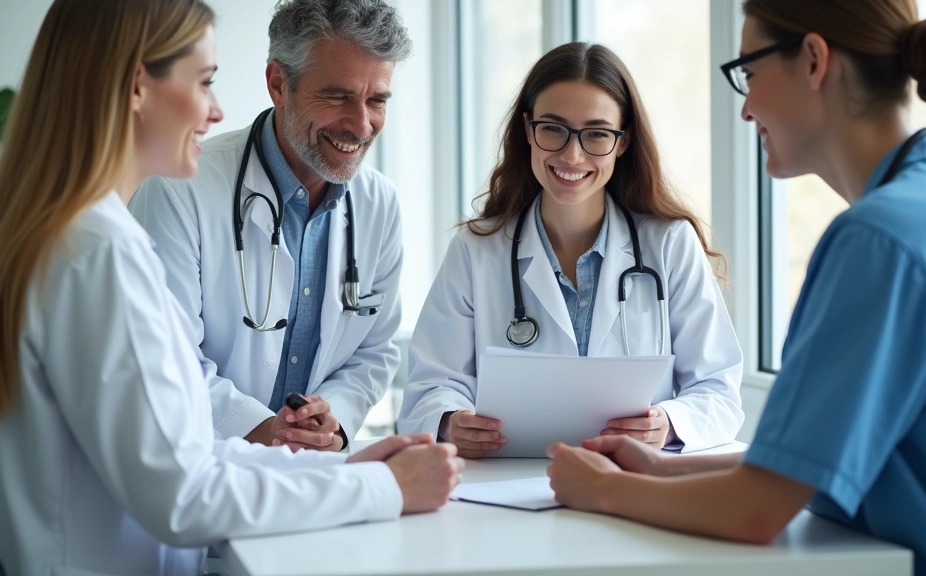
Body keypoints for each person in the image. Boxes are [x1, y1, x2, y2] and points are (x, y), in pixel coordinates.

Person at [546, 1, 926, 575]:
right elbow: (804, 465)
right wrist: (658, 468)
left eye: (750, 72)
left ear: (815, 60)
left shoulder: (880, 240)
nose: (746, 109)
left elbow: (758, 510)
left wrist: (600, 490)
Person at [0, 1, 462, 574]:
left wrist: (349, 467)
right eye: (204, 81)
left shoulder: (83, 235)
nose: (217, 109)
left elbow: (184, 446)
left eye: (376, 99)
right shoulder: (99, 254)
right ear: (137, 88)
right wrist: (381, 489)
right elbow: (183, 493)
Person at [398, 42, 744, 458]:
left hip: (630, 489)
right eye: (553, 129)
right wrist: (450, 422)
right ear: (528, 130)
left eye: (597, 133)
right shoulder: (477, 250)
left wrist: (667, 424)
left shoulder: (669, 244)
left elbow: (719, 391)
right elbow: (429, 387)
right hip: (504, 491)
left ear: (623, 141)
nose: (571, 154)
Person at [130, 0, 409, 452]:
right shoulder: (179, 189)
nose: (361, 125)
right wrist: (263, 431)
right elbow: (164, 358)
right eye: (338, 96)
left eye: (376, 100)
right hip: (205, 462)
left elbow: (374, 352)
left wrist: (331, 422)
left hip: (314, 469)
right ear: (279, 84)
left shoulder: (380, 204)